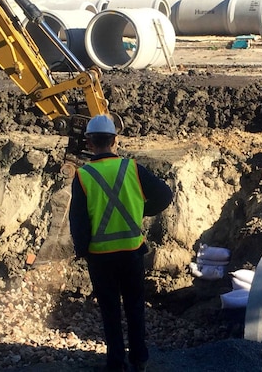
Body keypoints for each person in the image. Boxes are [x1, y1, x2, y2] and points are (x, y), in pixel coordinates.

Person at [68, 114, 174, 372]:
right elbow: (164, 195)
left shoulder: (83, 175)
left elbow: (78, 220)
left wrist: (82, 251)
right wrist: (141, 212)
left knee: (110, 311)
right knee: (135, 307)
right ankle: (140, 359)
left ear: (90, 143)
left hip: (100, 256)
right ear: (115, 140)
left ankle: (116, 363)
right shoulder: (133, 168)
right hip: (131, 251)